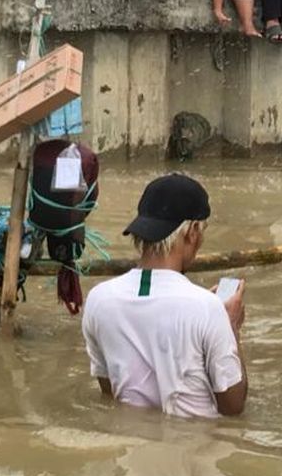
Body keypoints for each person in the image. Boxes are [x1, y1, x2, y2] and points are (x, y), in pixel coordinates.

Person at [81, 173, 247, 419]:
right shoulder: (207, 307)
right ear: (192, 232)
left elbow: (109, 391)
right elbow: (233, 407)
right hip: (194, 447)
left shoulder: (98, 300)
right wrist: (231, 327)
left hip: (131, 445)